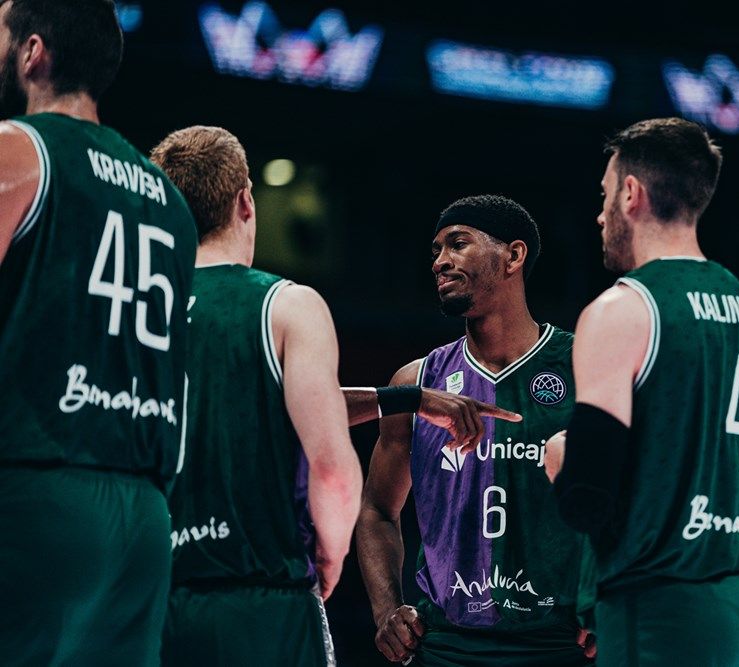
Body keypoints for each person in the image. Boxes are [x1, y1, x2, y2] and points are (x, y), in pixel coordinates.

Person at [151, 128, 518, 666]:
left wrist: (409, 398)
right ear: (246, 202)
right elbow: (331, 469)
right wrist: (328, 559)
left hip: (149, 592)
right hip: (263, 592)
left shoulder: (132, 310)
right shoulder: (285, 305)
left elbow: (263, 401)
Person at [544, 118, 739, 667]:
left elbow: (588, 497)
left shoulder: (624, 308)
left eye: (606, 194)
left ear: (631, 194)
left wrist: (561, 458)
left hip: (662, 607)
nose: (600, 213)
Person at [0, 1, 198, 664]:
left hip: (34, 489)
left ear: (32, 53)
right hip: (143, 517)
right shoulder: (168, 198)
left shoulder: (18, 148)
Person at [357, 195, 595, 666]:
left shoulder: (584, 364)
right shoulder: (416, 382)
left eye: (457, 244)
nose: (440, 262)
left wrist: (611, 594)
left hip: (558, 644)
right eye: (435, 251)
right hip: (446, 644)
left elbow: (630, 495)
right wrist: (386, 608)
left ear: (513, 255)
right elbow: (377, 509)